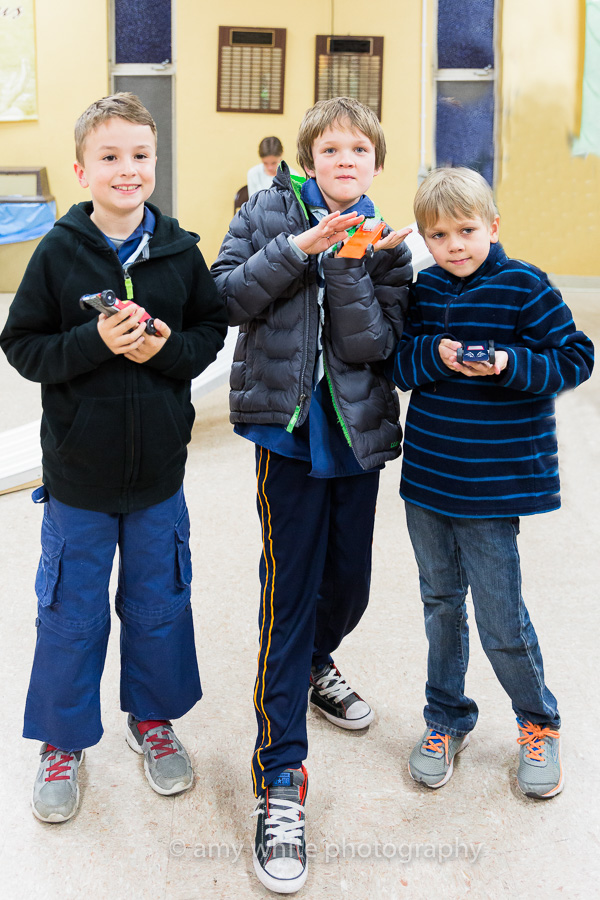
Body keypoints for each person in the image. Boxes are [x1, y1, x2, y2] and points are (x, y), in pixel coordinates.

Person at [0, 92, 228, 823]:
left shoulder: (181, 252)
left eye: (140, 155)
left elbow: (210, 333)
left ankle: (152, 722)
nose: (127, 169)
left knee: (159, 605)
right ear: (81, 170)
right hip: (79, 479)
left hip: (159, 476)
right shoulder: (57, 252)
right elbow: (22, 345)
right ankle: (63, 741)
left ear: (155, 162)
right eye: (109, 157)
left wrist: (167, 351)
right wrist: (92, 342)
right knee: (71, 613)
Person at [212, 96, 412, 894]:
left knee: (349, 586)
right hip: (286, 436)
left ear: (375, 163)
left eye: (359, 149)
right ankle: (280, 778)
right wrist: (300, 248)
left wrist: (351, 263)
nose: (345, 159)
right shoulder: (264, 214)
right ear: (308, 159)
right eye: (331, 148)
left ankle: (315, 662)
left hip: (355, 439)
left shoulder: (386, 242)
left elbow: (375, 345)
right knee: (288, 599)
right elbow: (225, 299)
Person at [390, 166, 594, 800]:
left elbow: (576, 357)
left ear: (493, 226)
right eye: (439, 235)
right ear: (424, 238)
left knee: (501, 615)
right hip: (429, 479)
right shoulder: (424, 288)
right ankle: (446, 718)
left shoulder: (524, 285)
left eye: (467, 230)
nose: (454, 245)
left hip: (491, 486)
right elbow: (399, 365)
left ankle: (538, 722)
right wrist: (434, 355)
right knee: (440, 604)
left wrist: (507, 362)